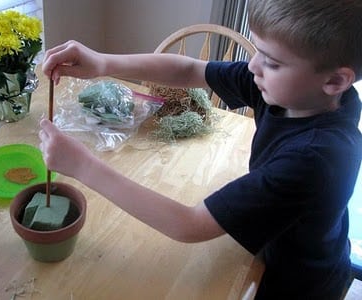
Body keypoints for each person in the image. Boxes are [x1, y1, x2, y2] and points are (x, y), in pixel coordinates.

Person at [39, 0, 362, 298]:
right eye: (258, 52)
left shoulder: (314, 159)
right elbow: (190, 71)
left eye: (272, 62)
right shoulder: (312, 97)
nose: (253, 67)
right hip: (281, 237)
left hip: (297, 282)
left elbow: (189, 224)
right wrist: (103, 62)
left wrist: (83, 166)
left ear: (335, 81)